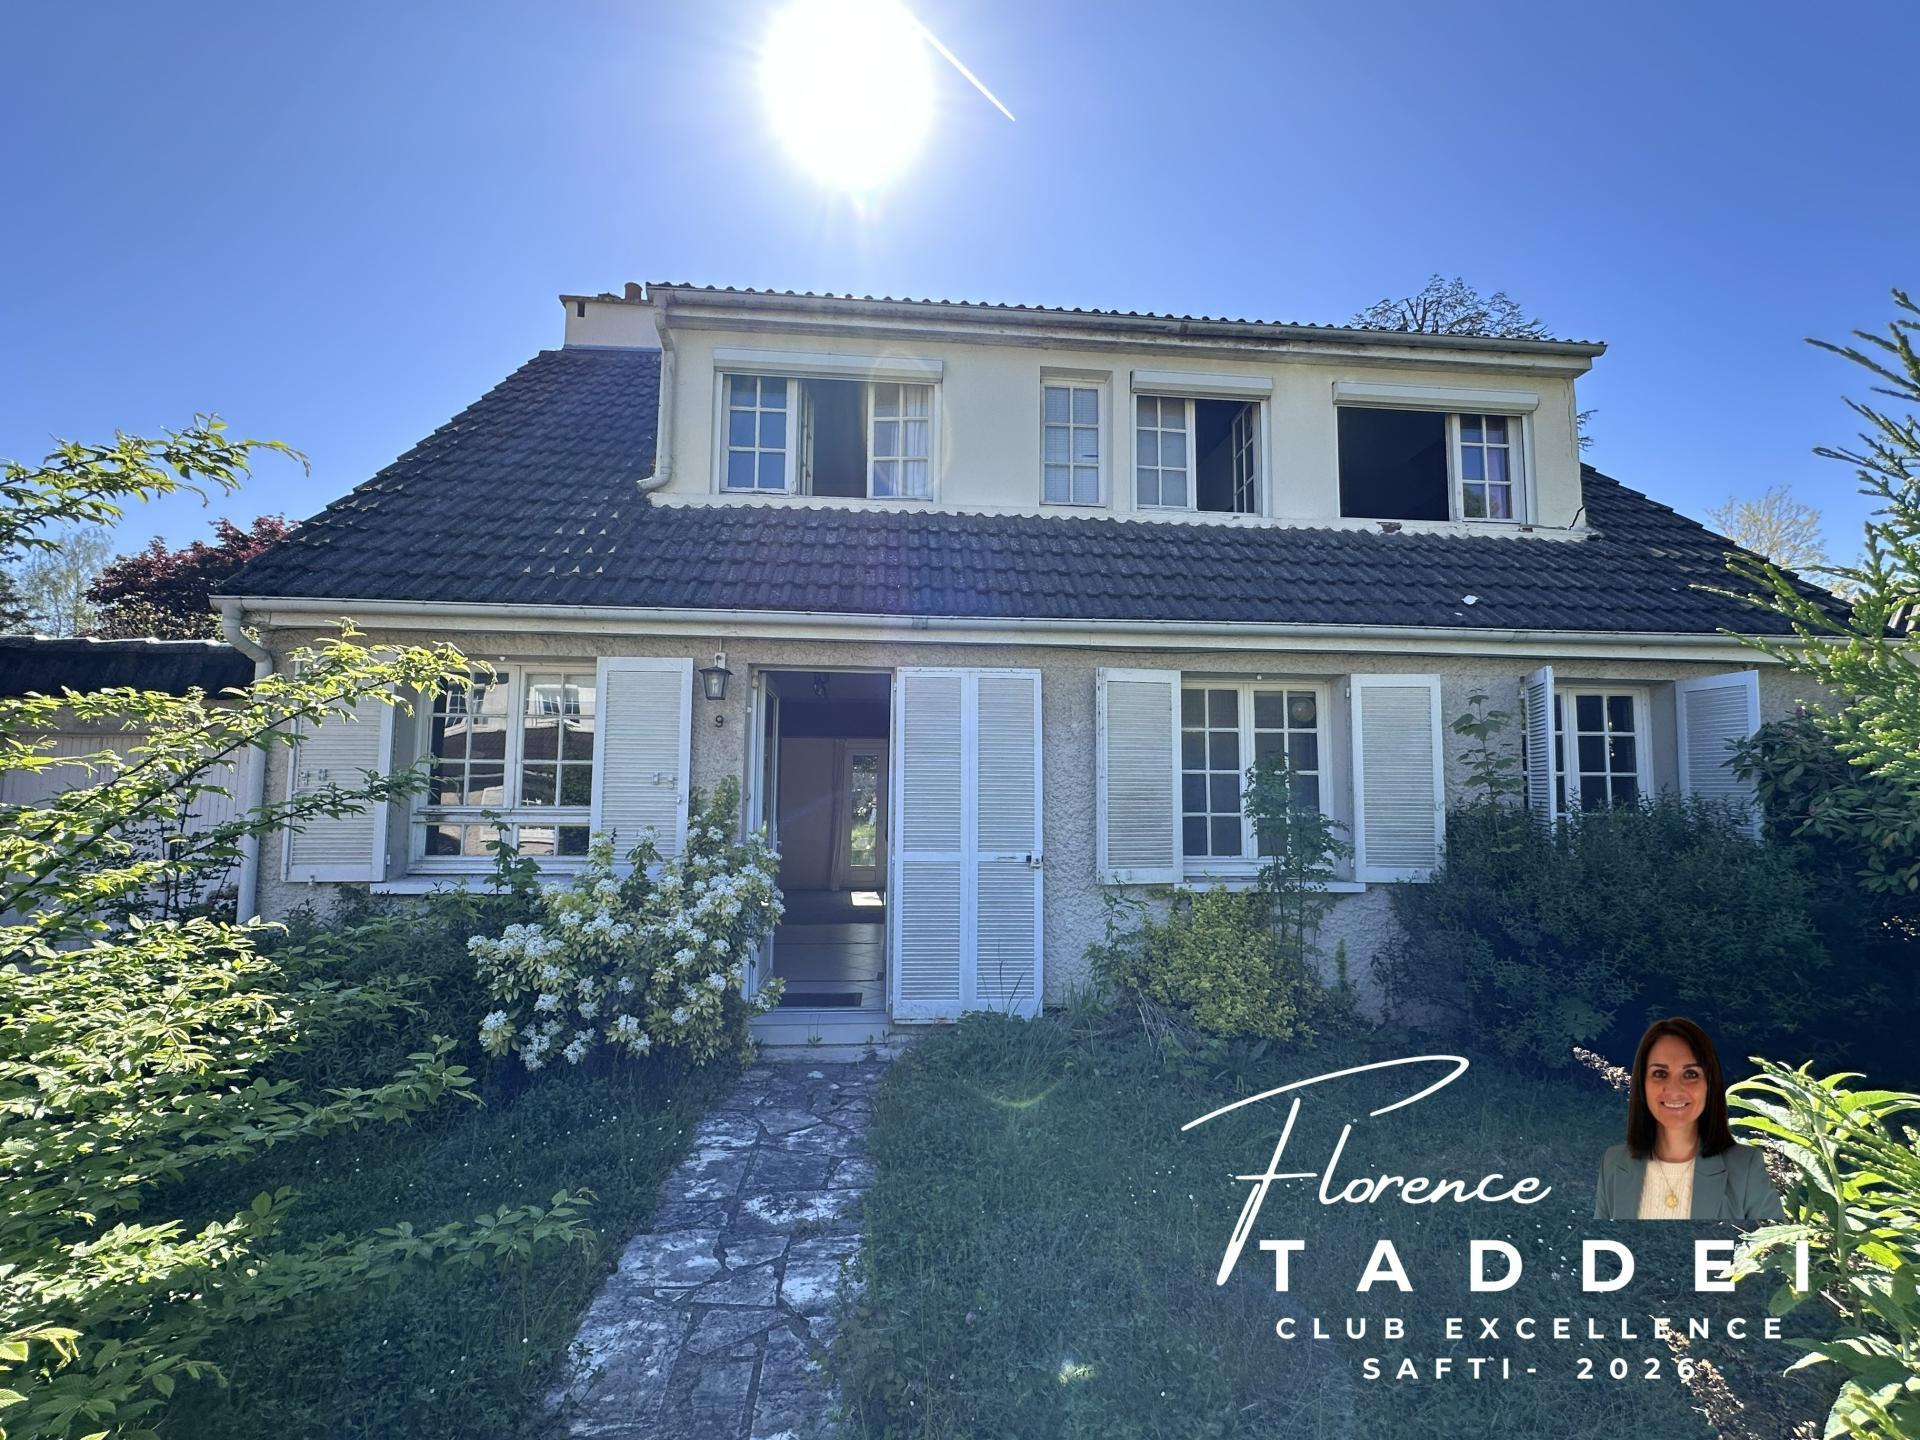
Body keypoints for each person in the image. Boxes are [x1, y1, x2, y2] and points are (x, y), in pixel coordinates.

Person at [1593, 1016, 1785, 1222]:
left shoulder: (1745, 1168)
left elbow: (1775, 1241)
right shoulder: (1614, 1164)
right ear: (1642, 1084)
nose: (1674, 1090)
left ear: (1709, 1084)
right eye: (1660, 1073)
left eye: (1690, 1074)